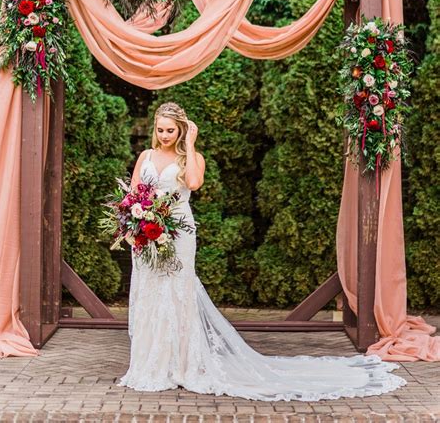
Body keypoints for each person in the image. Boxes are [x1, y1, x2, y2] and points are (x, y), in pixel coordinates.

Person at [118, 102, 406, 401]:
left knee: (178, 292)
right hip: (146, 233)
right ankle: (151, 364)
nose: (164, 135)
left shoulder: (193, 157)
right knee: (150, 292)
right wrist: (132, 224)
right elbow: (133, 194)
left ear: (180, 130)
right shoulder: (146, 156)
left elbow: (193, 182)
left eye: (170, 130)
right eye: (160, 130)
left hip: (179, 232)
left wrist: (189, 144)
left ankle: (181, 364)